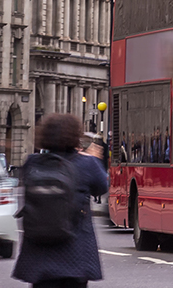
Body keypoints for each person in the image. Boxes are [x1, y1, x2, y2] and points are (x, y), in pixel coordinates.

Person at [14, 112, 109, 288]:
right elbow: (102, 187)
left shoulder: (32, 163)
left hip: (39, 251)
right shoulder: (87, 164)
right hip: (75, 251)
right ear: (75, 136)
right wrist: (94, 158)